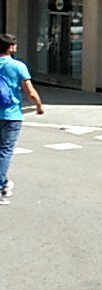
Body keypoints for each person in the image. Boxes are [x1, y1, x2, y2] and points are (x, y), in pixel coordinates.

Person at [0, 33, 44, 205]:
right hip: (11, 115)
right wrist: (39, 106)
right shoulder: (18, 66)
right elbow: (30, 92)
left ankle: (4, 183)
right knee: (5, 151)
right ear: (10, 47)